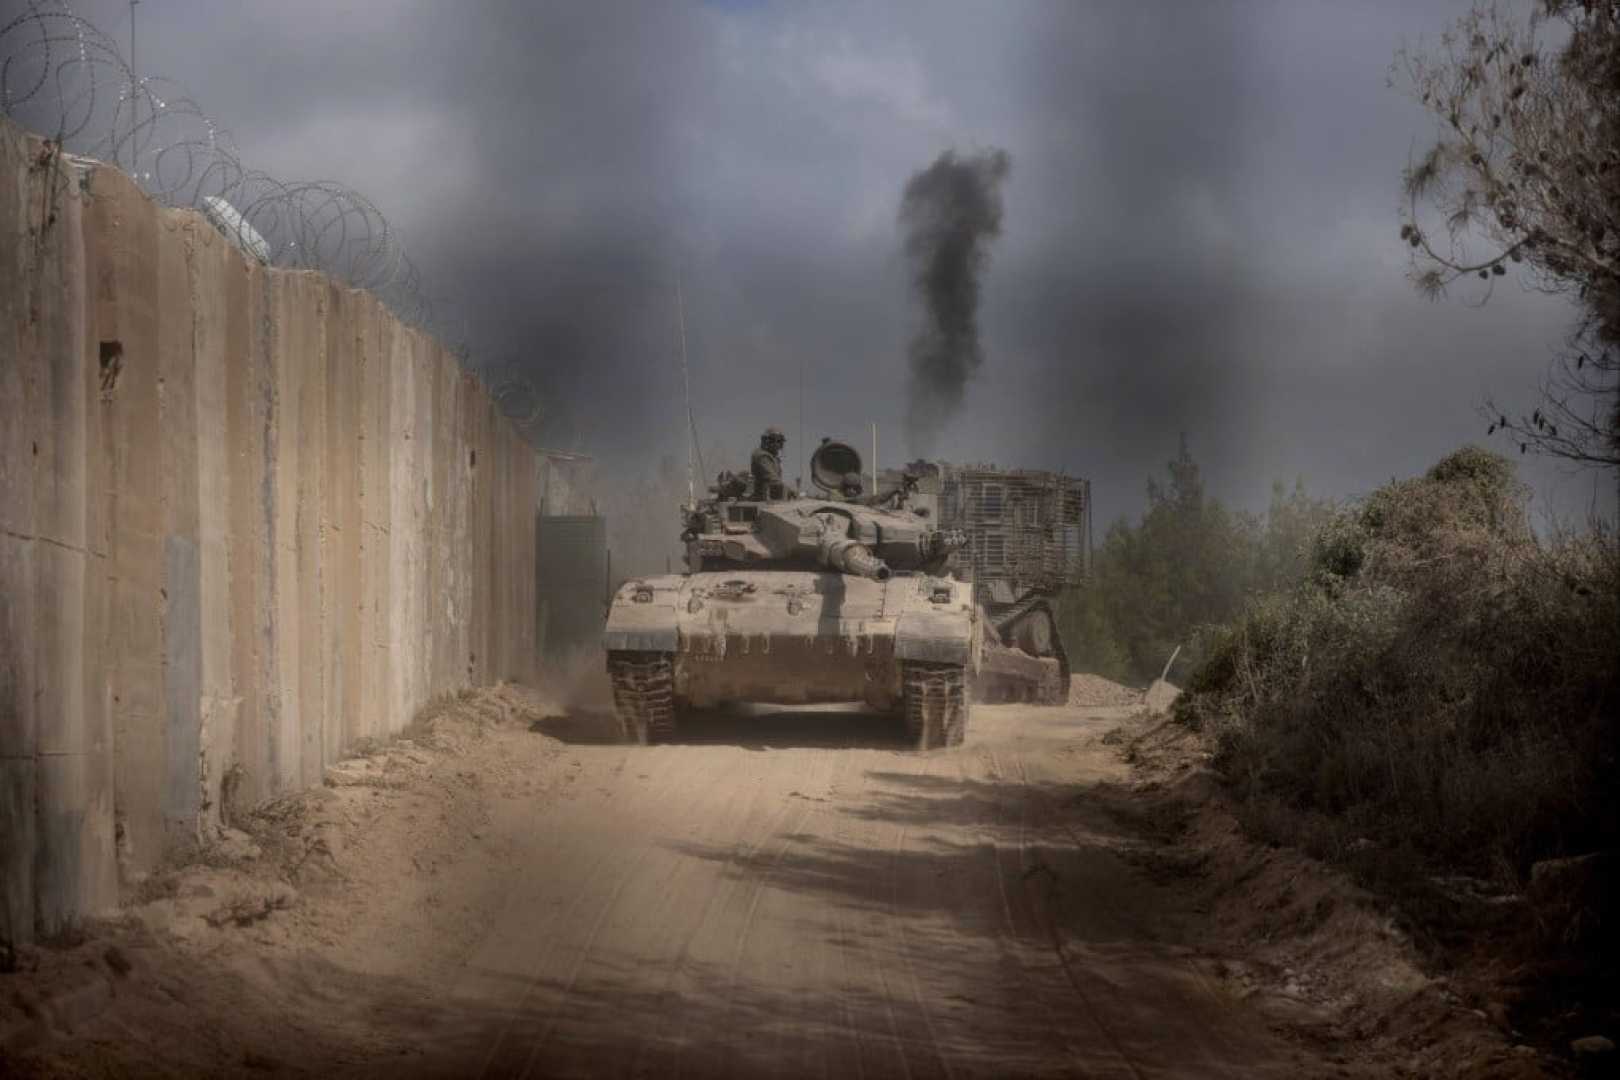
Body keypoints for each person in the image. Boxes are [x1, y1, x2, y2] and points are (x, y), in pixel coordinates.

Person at [750, 427, 786, 500]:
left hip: (772, 497)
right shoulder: (761, 455)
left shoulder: (774, 458)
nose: (777, 444)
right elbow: (772, 478)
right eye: (773, 440)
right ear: (766, 441)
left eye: (779, 441)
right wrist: (790, 490)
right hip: (762, 498)